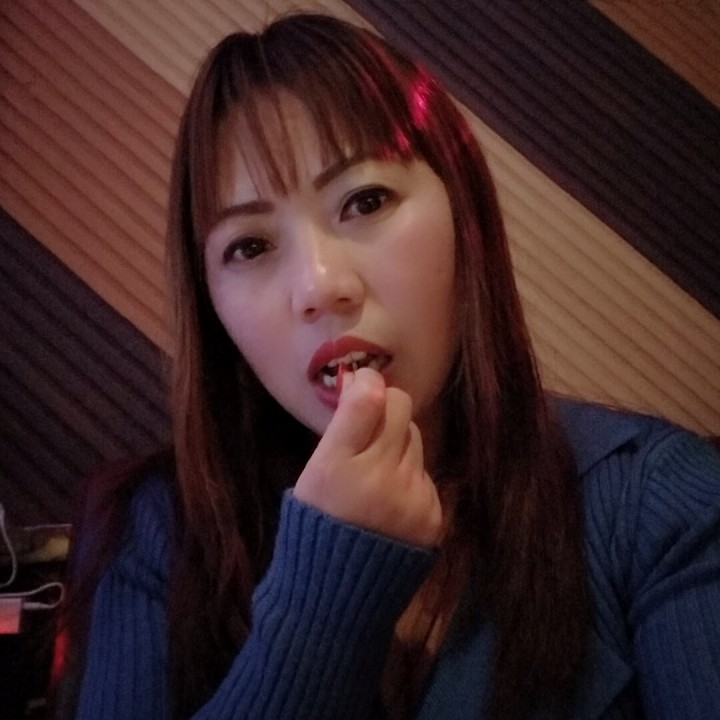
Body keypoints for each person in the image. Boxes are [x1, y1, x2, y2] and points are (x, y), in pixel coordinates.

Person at [54, 12, 720, 720]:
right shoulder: (152, 532)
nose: (319, 287)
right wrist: (323, 599)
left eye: (364, 201)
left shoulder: (657, 501)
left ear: (464, 214)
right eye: (249, 246)